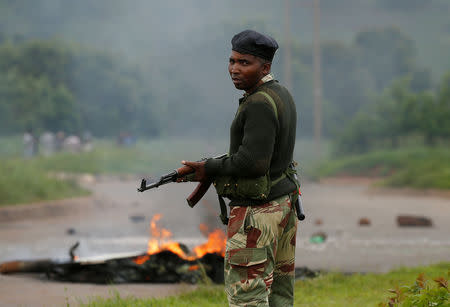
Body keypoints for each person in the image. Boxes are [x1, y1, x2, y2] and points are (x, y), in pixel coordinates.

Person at [182, 29, 299, 306]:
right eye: (232, 61)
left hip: (257, 215)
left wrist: (208, 167)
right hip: (283, 205)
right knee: (280, 296)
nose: (234, 69)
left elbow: (253, 162)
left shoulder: (258, 102)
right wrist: (211, 166)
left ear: (265, 67)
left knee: (247, 296)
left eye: (244, 63)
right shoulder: (280, 93)